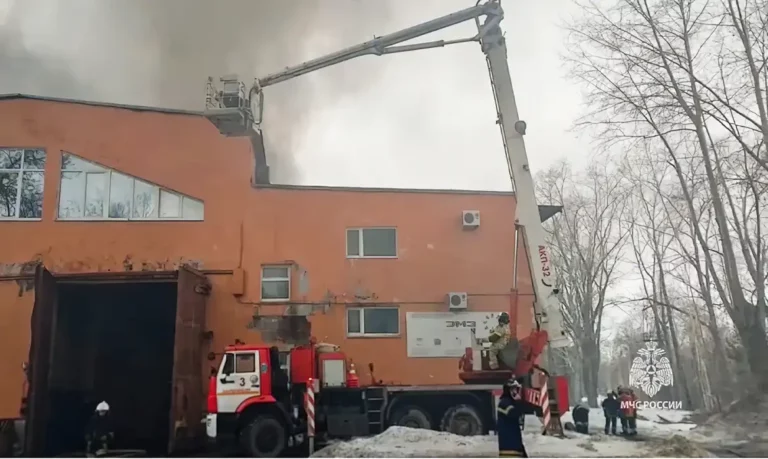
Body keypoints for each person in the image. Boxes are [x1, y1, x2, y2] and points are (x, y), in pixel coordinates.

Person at [497, 378, 527, 457]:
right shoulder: (504, 403)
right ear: (508, 390)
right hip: (508, 448)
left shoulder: (510, 403)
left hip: (515, 446)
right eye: (514, 389)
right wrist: (518, 402)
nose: (516, 392)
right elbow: (514, 414)